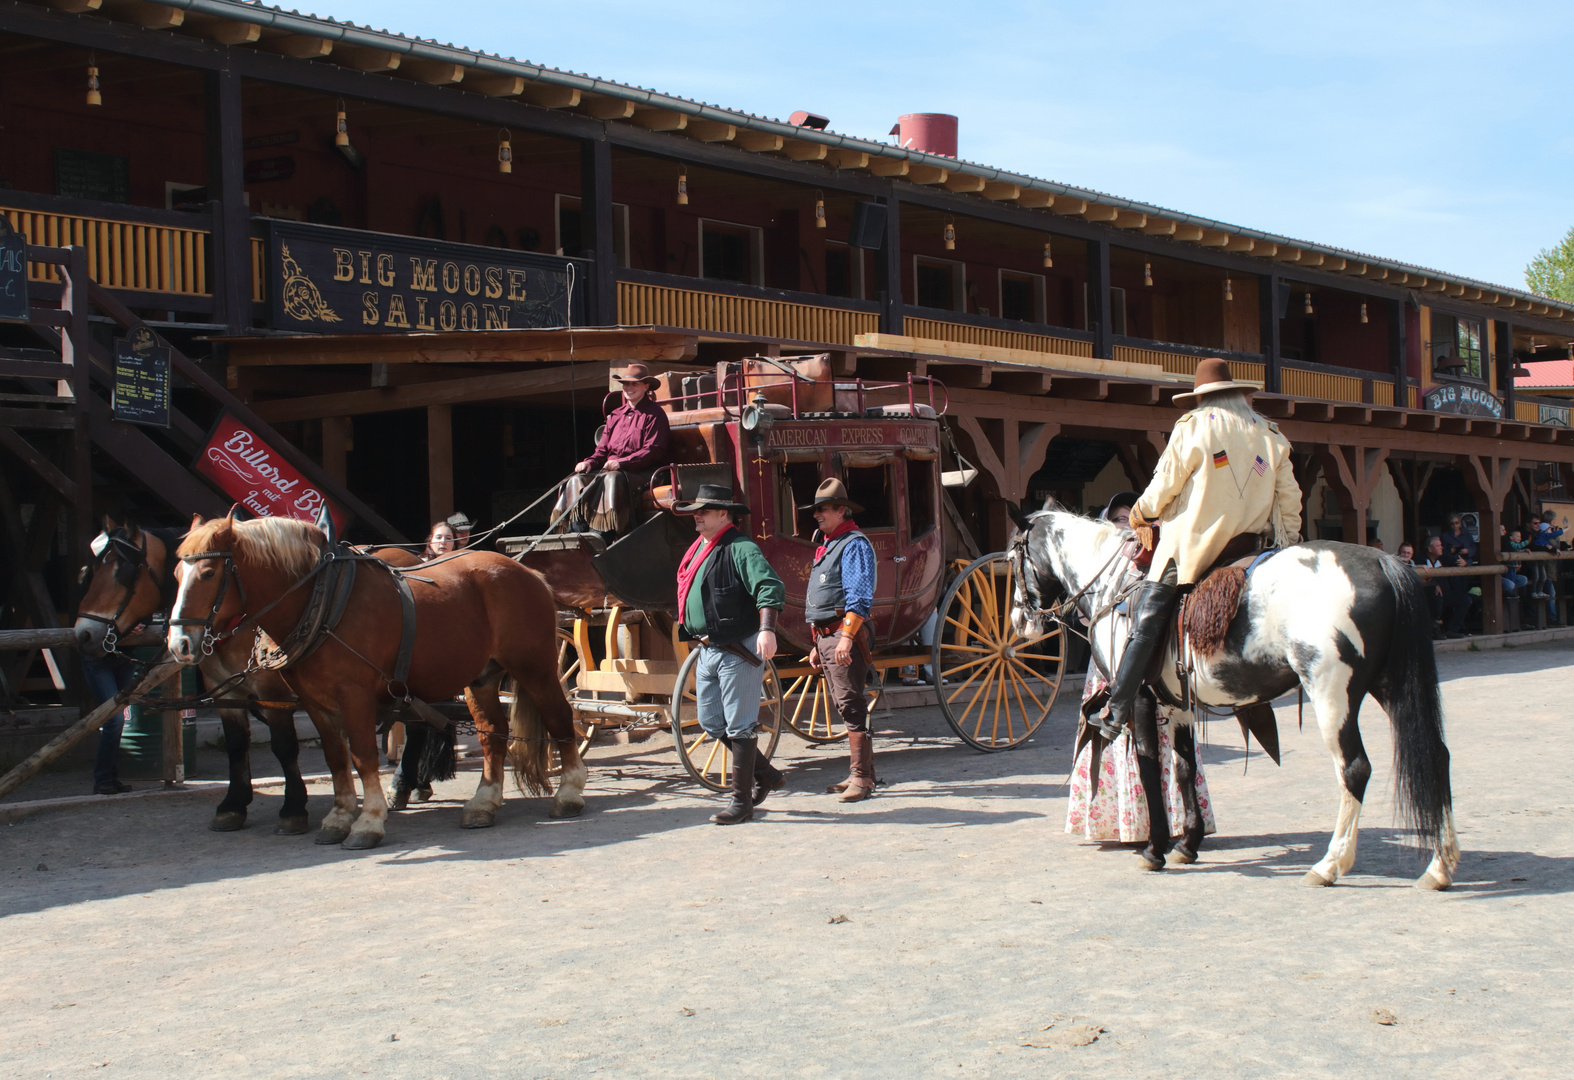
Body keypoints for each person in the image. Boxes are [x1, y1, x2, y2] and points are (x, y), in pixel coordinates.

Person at [1096, 357, 1301, 741]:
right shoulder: (1270, 434)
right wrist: (1287, 542)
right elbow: (1290, 502)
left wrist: (1141, 513)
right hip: (1249, 551)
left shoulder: (1193, 427)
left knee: (1147, 617)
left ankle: (1118, 707)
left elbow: (1165, 486)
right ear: (1239, 395)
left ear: (1201, 398)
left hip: (1195, 551)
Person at [674, 483, 785, 825]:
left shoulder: (741, 548)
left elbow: (769, 587)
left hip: (738, 650)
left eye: (704, 511)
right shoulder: (699, 549)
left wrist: (767, 629)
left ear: (724, 514)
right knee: (710, 721)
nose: (697, 515)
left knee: (740, 725)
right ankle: (766, 774)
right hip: (708, 649)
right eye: (695, 510)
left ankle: (742, 803)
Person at [803, 478, 880, 802]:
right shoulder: (833, 543)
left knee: (850, 704)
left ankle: (861, 779)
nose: (818, 515)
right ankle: (863, 775)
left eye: (824, 509)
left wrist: (845, 637)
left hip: (840, 634)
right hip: (829, 636)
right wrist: (817, 643)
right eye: (817, 509)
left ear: (841, 510)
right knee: (845, 702)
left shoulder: (852, 544)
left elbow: (859, 597)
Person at [559, 362, 672, 534]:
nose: (628, 388)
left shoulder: (655, 414)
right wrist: (589, 463)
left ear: (646, 386)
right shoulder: (615, 416)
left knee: (612, 479)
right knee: (575, 480)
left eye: (634, 383)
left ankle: (604, 533)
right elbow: (602, 450)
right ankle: (576, 533)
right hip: (614, 470)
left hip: (645, 471)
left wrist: (623, 463)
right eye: (626, 384)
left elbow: (654, 450)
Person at [1439, 515, 1477, 637]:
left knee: (1466, 597)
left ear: (1460, 523)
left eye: (1456, 523)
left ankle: (1461, 625)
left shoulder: (1466, 534)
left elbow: (1473, 548)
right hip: (1451, 570)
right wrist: (1452, 554)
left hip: (1465, 569)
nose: (1455, 526)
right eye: (1452, 524)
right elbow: (1442, 554)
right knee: (1458, 597)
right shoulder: (1445, 536)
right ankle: (1453, 626)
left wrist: (1467, 555)